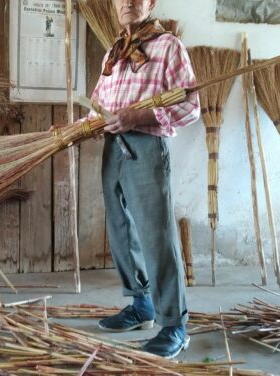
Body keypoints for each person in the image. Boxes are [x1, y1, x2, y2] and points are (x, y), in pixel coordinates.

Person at [91, 0, 200, 359]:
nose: (128, 3)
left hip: (146, 145)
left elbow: (190, 106)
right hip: (112, 148)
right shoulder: (115, 50)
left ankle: (175, 325)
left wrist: (139, 116)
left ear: (150, 3)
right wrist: (73, 129)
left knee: (156, 234)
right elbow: (97, 107)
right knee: (121, 229)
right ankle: (141, 306)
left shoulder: (168, 46)